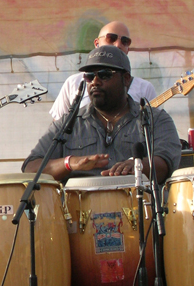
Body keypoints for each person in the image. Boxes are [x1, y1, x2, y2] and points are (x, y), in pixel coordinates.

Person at [23, 45, 181, 184]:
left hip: (140, 211)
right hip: (79, 215)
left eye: (104, 74)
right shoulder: (67, 124)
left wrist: (138, 166)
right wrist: (69, 163)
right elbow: (31, 168)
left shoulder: (156, 119)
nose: (95, 82)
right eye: (90, 76)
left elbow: (165, 163)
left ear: (126, 79)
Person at [50, 21, 156, 120]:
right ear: (97, 43)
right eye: (111, 38)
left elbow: (154, 128)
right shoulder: (73, 82)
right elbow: (58, 126)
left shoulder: (145, 88)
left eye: (124, 41)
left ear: (128, 48)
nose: (118, 45)